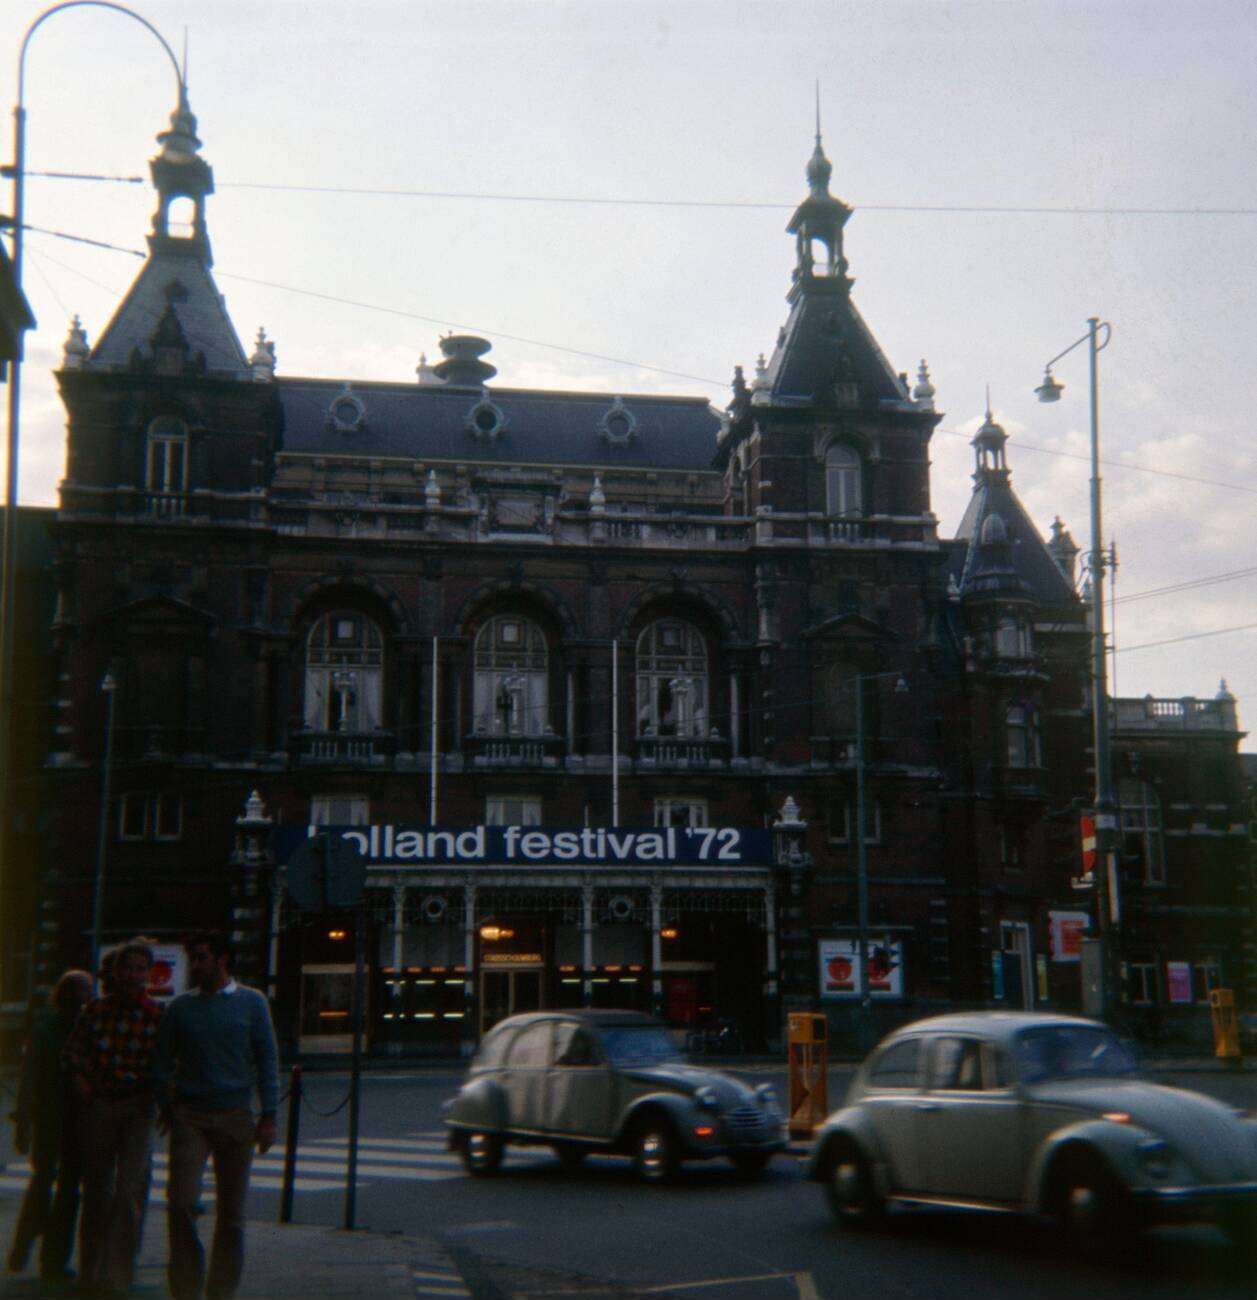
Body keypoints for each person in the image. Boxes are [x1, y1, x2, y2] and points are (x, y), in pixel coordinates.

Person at [153, 932, 279, 1300]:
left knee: (232, 1212)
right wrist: (168, 1105)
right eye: (193, 958)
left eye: (203, 958)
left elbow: (267, 1059)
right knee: (180, 1201)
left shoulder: (252, 1003)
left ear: (222, 960)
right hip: (191, 1114)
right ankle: (187, 1284)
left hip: (236, 1115)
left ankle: (222, 1289)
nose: (195, 966)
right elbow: (161, 1062)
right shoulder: (180, 1009)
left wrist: (269, 1115)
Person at [62, 939, 163, 1299]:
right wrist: (82, 1081)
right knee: (97, 1193)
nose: (133, 976)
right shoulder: (96, 1012)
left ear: (148, 974)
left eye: (140, 969)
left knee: (129, 1192)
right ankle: (91, 1270)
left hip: (138, 1107)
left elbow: (168, 1065)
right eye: (127, 968)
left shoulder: (157, 1015)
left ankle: (119, 1272)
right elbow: (73, 1051)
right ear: (116, 972)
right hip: (102, 1105)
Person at [6, 968, 93, 1284]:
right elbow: (29, 1079)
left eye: (88, 991)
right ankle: (30, 1246)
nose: (85, 998)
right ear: (66, 994)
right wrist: (23, 1121)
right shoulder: (47, 1030)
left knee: (66, 1190)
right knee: (47, 1185)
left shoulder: (84, 1029)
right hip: (51, 1118)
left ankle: (50, 1257)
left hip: (74, 1119)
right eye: (81, 991)